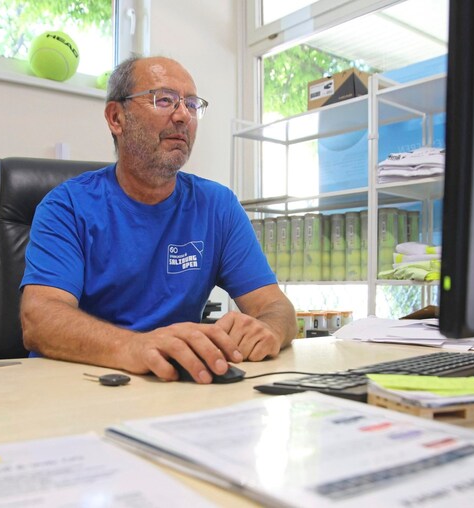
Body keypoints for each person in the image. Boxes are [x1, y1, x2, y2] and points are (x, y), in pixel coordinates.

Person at [20, 56, 296, 384]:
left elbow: (277, 307)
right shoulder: (66, 207)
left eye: (191, 104)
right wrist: (134, 347)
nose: (182, 116)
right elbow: (39, 320)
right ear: (116, 117)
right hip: (76, 387)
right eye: (163, 100)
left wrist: (268, 329)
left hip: (174, 387)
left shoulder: (217, 206)